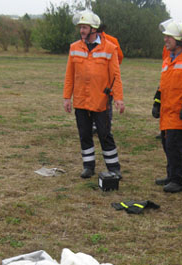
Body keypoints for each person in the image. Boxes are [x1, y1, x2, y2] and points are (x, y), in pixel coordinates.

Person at [63, 11, 125, 179]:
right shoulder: (74, 48)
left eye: (84, 27)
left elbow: (115, 76)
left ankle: (114, 168)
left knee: (105, 135)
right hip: (81, 100)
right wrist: (67, 97)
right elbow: (70, 75)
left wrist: (118, 98)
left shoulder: (110, 48)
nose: (81, 31)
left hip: (101, 101)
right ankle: (88, 166)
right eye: (80, 28)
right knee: (84, 134)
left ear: (94, 29)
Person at [153, 20, 182, 193]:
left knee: (174, 146)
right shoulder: (168, 59)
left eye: (168, 37)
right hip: (167, 112)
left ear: (179, 39)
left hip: (179, 113)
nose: (165, 40)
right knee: (167, 145)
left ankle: (177, 180)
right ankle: (171, 175)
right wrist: (156, 102)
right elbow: (162, 85)